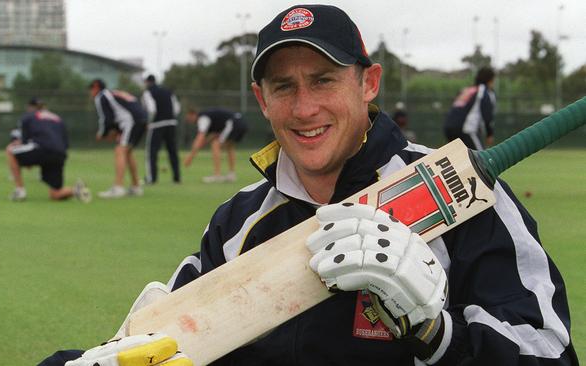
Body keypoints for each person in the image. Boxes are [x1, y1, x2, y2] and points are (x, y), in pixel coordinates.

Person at [42, 5, 576, 365]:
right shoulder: (237, 224)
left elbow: (549, 351)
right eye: (284, 87)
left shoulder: (468, 201)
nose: (304, 108)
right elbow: (167, 344)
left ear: (368, 83)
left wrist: (436, 332)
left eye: (323, 80)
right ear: (262, 99)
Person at [6, 98, 90, 202]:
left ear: (30, 107)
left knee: (10, 150)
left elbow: (24, 141)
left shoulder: (28, 116)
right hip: (60, 154)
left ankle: (20, 191)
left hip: (41, 148)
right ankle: (76, 190)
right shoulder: (58, 118)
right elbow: (66, 144)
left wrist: (28, 162)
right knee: (55, 194)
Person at [89, 79, 147, 198]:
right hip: (141, 119)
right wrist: (116, 131)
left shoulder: (101, 96)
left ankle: (118, 187)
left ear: (96, 87)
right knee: (128, 152)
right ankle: (136, 186)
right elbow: (120, 111)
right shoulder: (114, 93)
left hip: (130, 121)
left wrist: (102, 133)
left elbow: (106, 118)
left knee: (120, 151)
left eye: (91, 89)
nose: (90, 92)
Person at [184, 107, 247, 183]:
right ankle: (231, 175)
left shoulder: (202, 118)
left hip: (233, 123)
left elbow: (200, 137)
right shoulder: (211, 117)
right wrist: (203, 143)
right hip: (241, 122)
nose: (189, 121)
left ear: (193, 114)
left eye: (189, 118)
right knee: (229, 147)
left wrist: (190, 157)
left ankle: (217, 175)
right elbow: (214, 135)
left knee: (215, 144)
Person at [141, 74, 182, 184]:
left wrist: (148, 122)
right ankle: (177, 178)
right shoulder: (168, 91)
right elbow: (176, 109)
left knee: (152, 152)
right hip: (171, 123)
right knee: (172, 151)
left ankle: (151, 178)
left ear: (147, 82)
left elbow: (152, 109)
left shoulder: (148, 92)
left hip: (157, 125)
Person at [443, 66, 496, 150]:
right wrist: (489, 134)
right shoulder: (483, 91)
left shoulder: (467, 90)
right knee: (480, 158)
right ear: (490, 80)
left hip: (449, 128)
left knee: (457, 158)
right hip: (466, 129)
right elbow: (487, 114)